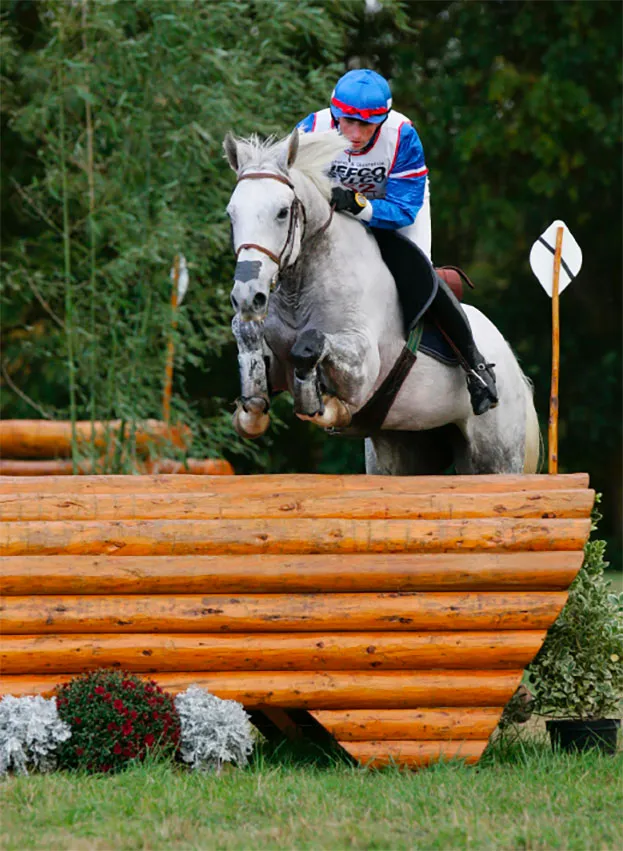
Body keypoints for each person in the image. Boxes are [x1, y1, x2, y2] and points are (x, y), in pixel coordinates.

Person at [297, 69, 498, 415]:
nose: (356, 135)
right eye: (347, 123)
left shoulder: (402, 136)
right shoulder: (308, 131)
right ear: (334, 115)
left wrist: (361, 205)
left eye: (367, 126)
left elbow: (405, 208)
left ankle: (475, 368)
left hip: (394, 209)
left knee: (420, 274)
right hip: (333, 216)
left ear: (383, 120)